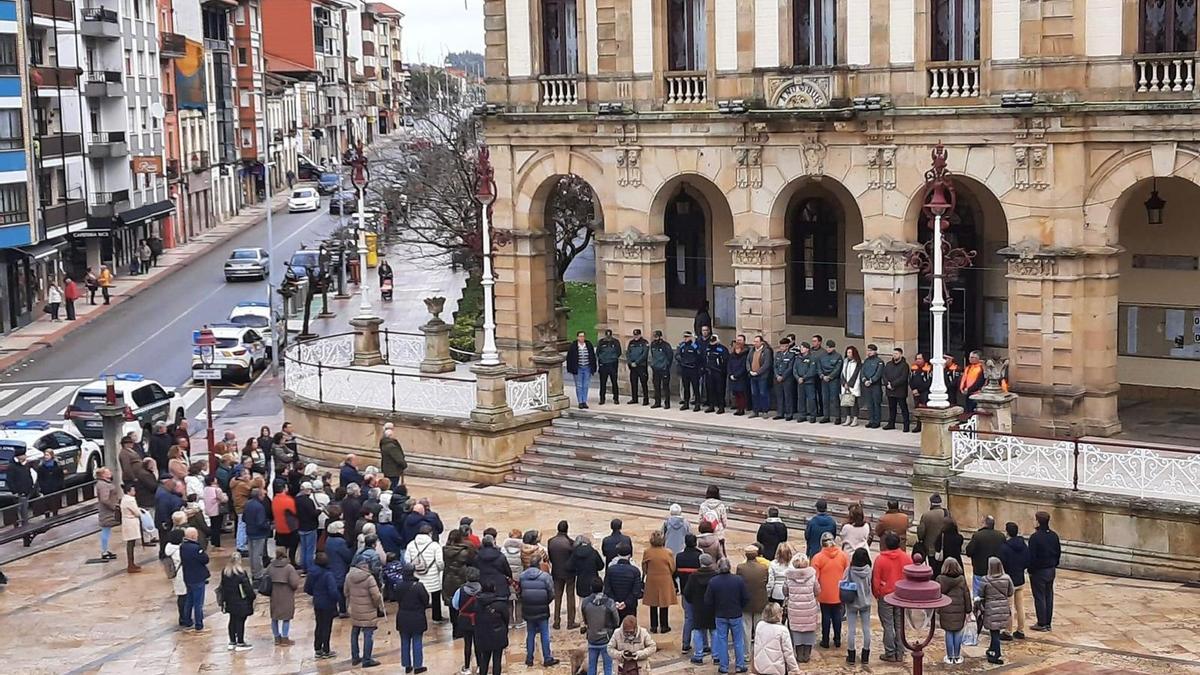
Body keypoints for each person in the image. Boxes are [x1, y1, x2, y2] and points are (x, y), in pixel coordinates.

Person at [872, 532, 913, 663]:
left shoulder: (880, 559)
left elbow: (876, 579)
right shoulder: (907, 558)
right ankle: (900, 651)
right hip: (901, 595)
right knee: (900, 624)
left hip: (886, 594)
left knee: (888, 625)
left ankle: (890, 652)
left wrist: (877, 593)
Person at [705, 557, 748, 674]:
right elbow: (745, 597)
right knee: (738, 641)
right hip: (736, 613)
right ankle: (740, 665)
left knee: (722, 640)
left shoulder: (713, 581)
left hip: (720, 615)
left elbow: (708, 601)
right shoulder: (738, 580)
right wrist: (740, 607)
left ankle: (723, 667)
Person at [519, 554, 559, 667]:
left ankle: (529, 658)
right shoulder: (545, 577)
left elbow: (520, 591)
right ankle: (547, 658)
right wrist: (546, 602)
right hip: (542, 608)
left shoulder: (522, 576)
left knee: (530, 633)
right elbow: (551, 593)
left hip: (528, 608)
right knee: (545, 633)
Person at [345, 558, 386, 668]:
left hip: (354, 609)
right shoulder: (369, 578)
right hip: (368, 610)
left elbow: (346, 592)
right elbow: (376, 596)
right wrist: (377, 606)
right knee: (368, 634)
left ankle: (355, 657)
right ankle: (367, 659)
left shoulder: (349, 576)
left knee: (354, 633)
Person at [812, 531, 849, 650]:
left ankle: (825, 640)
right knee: (837, 616)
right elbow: (847, 572)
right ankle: (837, 639)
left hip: (824, 592)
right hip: (839, 591)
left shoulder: (818, 557)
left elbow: (814, 577)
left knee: (826, 616)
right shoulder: (843, 555)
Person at [394, 563, 432, 673]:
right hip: (417, 616)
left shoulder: (398, 585)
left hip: (402, 616)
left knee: (404, 641)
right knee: (417, 641)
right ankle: (418, 666)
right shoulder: (418, 586)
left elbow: (397, 599)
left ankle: (407, 665)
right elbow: (425, 600)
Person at [1028, 510, 1061, 633]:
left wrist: (1031, 570)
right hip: (1051, 569)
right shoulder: (1054, 535)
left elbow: (1032, 557)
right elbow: (1058, 552)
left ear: (1037, 521)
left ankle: (1041, 622)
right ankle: (1048, 622)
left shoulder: (1035, 537)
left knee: (1040, 596)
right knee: (1049, 595)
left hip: (1039, 571)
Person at [405, 523, 446, 621]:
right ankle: (437, 617)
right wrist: (439, 570)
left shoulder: (411, 544)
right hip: (432, 577)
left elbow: (407, 560)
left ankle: (420, 618)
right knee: (435, 597)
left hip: (417, 576)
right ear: (430, 533)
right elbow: (440, 562)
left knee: (418, 598)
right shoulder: (435, 546)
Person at [936, 557, 972, 665]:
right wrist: (968, 610)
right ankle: (957, 655)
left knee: (948, 632)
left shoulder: (940, 579)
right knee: (957, 632)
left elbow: (937, 595)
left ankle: (950, 656)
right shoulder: (961, 579)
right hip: (959, 610)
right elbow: (967, 595)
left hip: (945, 609)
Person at [784, 553, 819, 663]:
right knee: (809, 631)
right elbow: (817, 590)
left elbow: (785, 592)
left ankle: (799, 654)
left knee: (797, 632)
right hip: (809, 609)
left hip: (795, 609)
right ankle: (807, 655)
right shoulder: (812, 576)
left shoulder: (789, 577)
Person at [218, 552, 256, 651]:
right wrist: (252, 596)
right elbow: (247, 588)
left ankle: (232, 641)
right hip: (241, 601)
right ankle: (240, 642)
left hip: (229, 601)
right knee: (240, 621)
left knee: (232, 620)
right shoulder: (241, 573)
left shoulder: (225, 572)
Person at [582, 577, 620, 675]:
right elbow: (616, 621)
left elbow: (585, 619)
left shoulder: (585, 602)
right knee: (608, 666)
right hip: (606, 638)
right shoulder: (609, 602)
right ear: (603, 588)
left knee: (592, 667)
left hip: (592, 637)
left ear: (591, 588)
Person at [683, 553, 717, 664]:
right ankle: (716, 656)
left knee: (697, 630)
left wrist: (692, 602)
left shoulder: (693, 576)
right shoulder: (715, 575)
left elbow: (687, 593)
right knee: (714, 630)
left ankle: (698, 655)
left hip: (698, 606)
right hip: (712, 607)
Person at [998, 521, 1030, 640]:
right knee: (1020, 606)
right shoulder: (1023, 545)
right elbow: (1028, 560)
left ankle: (1008, 631)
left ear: (1007, 532)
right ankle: (1020, 630)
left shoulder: (1004, 547)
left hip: (1009, 580)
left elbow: (1001, 564)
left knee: (1008, 607)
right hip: (1020, 578)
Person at [980, 556, 1015, 665]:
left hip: (990, 608)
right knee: (996, 631)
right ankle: (991, 649)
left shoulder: (985, 579)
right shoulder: (1007, 578)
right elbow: (1010, 592)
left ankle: (996, 654)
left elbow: (981, 594)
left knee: (994, 633)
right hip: (1003, 607)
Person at [305, 552, 340, 659]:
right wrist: (337, 600)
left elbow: (307, 588)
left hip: (317, 602)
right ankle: (326, 650)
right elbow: (333, 591)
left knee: (319, 625)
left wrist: (316, 594)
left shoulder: (311, 572)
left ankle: (318, 648)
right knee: (326, 627)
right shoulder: (328, 574)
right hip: (328, 603)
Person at [842, 547, 874, 664]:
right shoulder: (869, 570)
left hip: (852, 603)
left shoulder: (850, 569)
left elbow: (843, 581)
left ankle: (851, 656)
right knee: (866, 629)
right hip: (865, 602)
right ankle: (865, 655)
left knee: (851, 630)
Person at [642, 530, 677, 633]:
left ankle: (653, 626)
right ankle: (664, 626)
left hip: (652, 578)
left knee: (653, 603)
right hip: (665, 579)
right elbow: (672, 567)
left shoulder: (647, 552)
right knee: (664, 603)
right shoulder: (668, 552)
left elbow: (644, 567)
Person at [473, 581, 511, 675]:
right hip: (497, 634)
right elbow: (506, 619)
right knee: (497, 660)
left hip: (483, 634)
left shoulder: (477, 603)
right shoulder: (500, 604)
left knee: (484, 659)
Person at [451, 567, 482, 675]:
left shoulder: (460, 590)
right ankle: (480, 666)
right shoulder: (482, 589)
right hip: (478, 619)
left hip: (465, 619)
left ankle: (467, 667)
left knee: (467, 644)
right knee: (478, 643)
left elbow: (455, 605)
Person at [966, 515, 1006, 598]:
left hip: (980, 570)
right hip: (995, 570)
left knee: (978, 595)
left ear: (985, 524)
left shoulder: (978, 535)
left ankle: (978, 609)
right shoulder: (1001, 536)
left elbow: (969, 551)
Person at [268, 548, 303, 645]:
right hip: (286, 595)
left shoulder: (271, 566)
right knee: (286, 617)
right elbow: (294, 583)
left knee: (274, 617)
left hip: (274, 595)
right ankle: (285, 638)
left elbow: (266, 578)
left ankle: (276, 637)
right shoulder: (289, 568)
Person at [753, 603, 799, 675]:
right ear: (778, 614)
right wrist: (794, 669)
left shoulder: (760, 625)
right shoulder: (782, 630)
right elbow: (788, 653)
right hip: (777, 669)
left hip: (760, 667)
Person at [736, 544, 768, 645]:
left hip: (746, 601)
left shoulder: (740, 567)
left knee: (746, 627)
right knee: (759, 626)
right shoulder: (763, 568)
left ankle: (747, 653)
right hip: (760, 600)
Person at [604, 543, 643, 620]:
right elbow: (636, 592)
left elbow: (607, 589)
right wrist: (626, 603)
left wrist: (615, 602)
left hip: (614, 606)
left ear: (618, 554)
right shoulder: (635, 571)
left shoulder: (610, 570)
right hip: (630, 606)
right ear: (629, 555)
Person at [569, 534, 605, 614]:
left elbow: (570, 566)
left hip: (581, 581)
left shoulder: (575, 553)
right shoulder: (593, 552)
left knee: (581, 602)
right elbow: (601, 566)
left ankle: (582, 623)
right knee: (594, 602)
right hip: (593, 581)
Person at [324, 521, 353, 616]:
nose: (343, 530)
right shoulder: (340, 542)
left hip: (331, 567)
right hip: (340, 568)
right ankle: (343, 610)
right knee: (341, 591)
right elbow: (347, 556)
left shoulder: (328, 540)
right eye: (341, 528)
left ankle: (334, 610)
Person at [243, 487, 271, 578]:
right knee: (257, 555)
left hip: (249, 531)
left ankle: (254, 571)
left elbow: (244, 518)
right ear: (259, 495)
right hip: (259, 533)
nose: (264, 496)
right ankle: (258, 574)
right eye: (263, 494)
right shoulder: (259, 507)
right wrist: (269, 525)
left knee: (252, 554)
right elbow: (261, 522)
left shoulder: (248, 504)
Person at [567, 331, 598, 409]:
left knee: (586, 385)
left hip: (587, 367)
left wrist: (593, 368)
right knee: (579, 385)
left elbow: (592, 357)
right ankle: (580, 401)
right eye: (580, 336)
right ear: (577, 337)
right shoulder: (573, 346)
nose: (582, 338)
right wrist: (571, 368)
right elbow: (569, 358)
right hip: (578, 368)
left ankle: (584, 401)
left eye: (583, 336)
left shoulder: (588, 345)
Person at [883, 347, 911, 431]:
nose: (894, 355)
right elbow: (884, 375)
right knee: (892, 408)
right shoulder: (888, 364)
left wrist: (893, 384)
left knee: (903, 408)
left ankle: (906, 425)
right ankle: (891, 423)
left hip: (900, 390)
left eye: (896, 354)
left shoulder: (904, 365)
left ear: (901, 354)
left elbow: (903, 378)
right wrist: (887, 383)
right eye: (893, 353)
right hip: (889, 390)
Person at [816, 339, 844, 423]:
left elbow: (837, 369)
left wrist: (830, 376)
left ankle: (837, 417)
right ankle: (826, 416)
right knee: (825, 399)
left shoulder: (838, 356)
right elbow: (819, 367)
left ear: (833, 348)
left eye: (830, 348)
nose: (828, 349)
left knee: (834, 399)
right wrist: (821, 375)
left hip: (833, 380)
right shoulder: (822, 356)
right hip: (824, 379)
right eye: (827, 347)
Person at [914, 493, 949, 560]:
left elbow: (921, 532)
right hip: (944, 547)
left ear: (931, 503)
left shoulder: (926, 515)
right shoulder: (946, 513)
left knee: (932, 566)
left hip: (930, 548)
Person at [746, 334, 773, 419]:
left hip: (762, 376)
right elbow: (748, 361)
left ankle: (765, 411)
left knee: (763, 393)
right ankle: (755, 411)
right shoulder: (752, 350)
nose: (755, 343)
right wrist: (749, 370)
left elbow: (767, 364)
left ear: (761, 342)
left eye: (757, 341)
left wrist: (758, 372)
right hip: (752, 375)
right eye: (754, 341)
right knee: (754, 394)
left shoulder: (766, 351)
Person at [272, 480, 299, 565]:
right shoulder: (288, 500)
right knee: (292, 547)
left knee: (282, 547)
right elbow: (295, 512)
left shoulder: (274, 499)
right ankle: (292, 561)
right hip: (290, 528)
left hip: (279, 527)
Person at [296, 482, 321, 570]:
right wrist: (319, 511)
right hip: (310, 527)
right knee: (310, 550)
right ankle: (309, 568)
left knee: (303, 549)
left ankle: (303, 566)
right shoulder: (308, 501)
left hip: (301, 526)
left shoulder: (297, 499)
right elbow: (312, 514)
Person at [677, 331, 703, 411]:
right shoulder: (682, 346)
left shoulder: (694, 346)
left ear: (690, 337)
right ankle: (686, 403)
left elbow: (699, 357)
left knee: (695, 387)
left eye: (687, 337)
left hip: (693, 369)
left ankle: (697, 404)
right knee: (686, 387)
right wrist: (682, 361)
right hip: (685, 369)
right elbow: (678, 355)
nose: (685, 338)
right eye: (684, 337)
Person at [792, 342, 819, 423]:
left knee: (811, 399)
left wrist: (804, 378)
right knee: (801, 399)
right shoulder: (798, 358)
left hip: (809, 382)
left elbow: (812, 370)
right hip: (800, 382)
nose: (801, 349)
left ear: (807, 349)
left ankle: (812, 415)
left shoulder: (812, 358)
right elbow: (794, 369)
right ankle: (802, 415)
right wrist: (798, 378)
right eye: (801, 348)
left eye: (803, 348)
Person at [859, 344, 885, 428]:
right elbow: (862, 372)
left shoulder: (879, 361)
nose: (869, 352)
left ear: (875, 351)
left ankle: (877, 421)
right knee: (869, 404)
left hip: (875, 386)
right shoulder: (866, 361)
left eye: (871, 350)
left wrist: (871, 381)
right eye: (868, 350)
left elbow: (878, 373)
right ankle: (871, 420)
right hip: (867, 385)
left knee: (876, 403)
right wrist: (864, 380)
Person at [703, 334, 730, 414]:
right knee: (710, 389)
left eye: (714, 341)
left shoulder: (722, 349)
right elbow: (704, 358)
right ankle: (711, 405)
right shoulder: (707, 348)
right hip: (709, 372)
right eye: (711, 342)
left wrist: (723, 371)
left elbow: (725, 361)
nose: (712, 343)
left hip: (719, 373)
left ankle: (721, 406)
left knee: (720, 390)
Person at [119, 483, 143, 573]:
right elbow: (137, 512)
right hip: (131, 522)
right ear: (129, 491)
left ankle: (131, 563)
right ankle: (130, 564)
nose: (135, 491)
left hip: (127, 522)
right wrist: (140, 511)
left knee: (131, 543)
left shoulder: (124, 499)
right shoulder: (130, 500)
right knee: (131, 543)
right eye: (133, 490)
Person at [35, 449, 66, 517]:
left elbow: (60, 476)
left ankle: (55, 514)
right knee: (47, 503)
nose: (46, 457)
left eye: (47, 455)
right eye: (45, 455)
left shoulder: (57, 465)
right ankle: (47, 515)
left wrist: (59, 485)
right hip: (46, 488)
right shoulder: (41, 466)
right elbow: (40, 478)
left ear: (51, 455)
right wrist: (42, 486)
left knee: (55, 502)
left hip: (55, 487)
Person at [699, 485, 729, 553]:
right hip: (718, 533)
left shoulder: (703, 505)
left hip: (705, 533)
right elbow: (724, 521)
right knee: (720, 553)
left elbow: (700, 520)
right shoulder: (721, 506)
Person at [772, 337, 796, 420]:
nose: (781, 348)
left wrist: (783, 376)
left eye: (783, 346)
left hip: (787, 379)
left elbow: (790, 367)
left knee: (788, 396)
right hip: (777, 378)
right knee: (779, 396)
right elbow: (775, 366)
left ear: (787, 346)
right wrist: (777, 375)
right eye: (780, 346)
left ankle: (789, 413)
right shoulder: (778, 354)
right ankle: (780, 413)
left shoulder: (791, 355)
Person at [649, 329, 674, 409]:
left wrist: (666, 366)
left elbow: (670, 357)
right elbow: (652, 355)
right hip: (656, 368)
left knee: (665, 387)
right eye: (654, 337)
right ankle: (657, 402)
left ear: (660, 337)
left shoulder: (665, 345)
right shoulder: (653, 344)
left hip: (664, 369)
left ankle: (667, 403)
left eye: (656, 337)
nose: (655, 338)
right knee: (656, 386)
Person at [596, 328, 623, 404]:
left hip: (613, 364)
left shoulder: (616, 342)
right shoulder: (601, 342)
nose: (608, 337)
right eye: (607, 336)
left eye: (609, 336)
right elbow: (598, 353)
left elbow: (619, 352)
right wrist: (602, 359)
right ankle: (602, 398)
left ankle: (616, 398)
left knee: (614, 382)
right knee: (603, 383)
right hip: (603, 365)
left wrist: (613, 358)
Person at [201, 474, 227, 549]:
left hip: (209, 510)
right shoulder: (217, 489)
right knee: (217, 528)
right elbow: (223, 499)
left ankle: (213, 542)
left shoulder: (205, 489)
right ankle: (217, 544)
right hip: (217, 510)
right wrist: (225, 496)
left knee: (213, 527)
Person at [626, 328, 650, 405]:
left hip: (641, 366)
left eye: (637, 335)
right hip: (633, 366)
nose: (635, 336)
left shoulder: (644, 342)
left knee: (643, 383)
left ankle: (646, 399)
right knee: (633, 382)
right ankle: (634, 398)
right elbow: (628, 353)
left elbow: (644, 354)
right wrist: (630, 362)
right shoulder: (631, 342)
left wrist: (636, 362)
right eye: (634, 335)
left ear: (640, 335)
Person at [727, 334, 750, 416]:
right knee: (736, 393)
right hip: (732, 376)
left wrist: (736, 375)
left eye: (740, 340)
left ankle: (742, 409)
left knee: (741, 393)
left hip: (741, 377)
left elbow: (744, 367)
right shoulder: (732, 355)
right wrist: (730, 374)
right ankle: (738, 407)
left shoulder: (746, 354)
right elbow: (729, 365)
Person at [909, 353, 932, 432]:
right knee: (917, 409)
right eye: (917, 359)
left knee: (924, 409)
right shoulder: (913, 368)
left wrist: (919, 390)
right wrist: (913, 389)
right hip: (915, 392)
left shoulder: (929, 369)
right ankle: (918, 426)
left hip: (925, 393)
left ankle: (925, 426)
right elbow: (910, 380)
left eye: (919, 359)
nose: (918, 361)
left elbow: (929, 382)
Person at [839, 345, 862, 425]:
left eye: (850, 352)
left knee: (854, 402)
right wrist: (844, 383)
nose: (848, 354)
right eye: (847, 352)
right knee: (846, 402)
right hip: (845, 385)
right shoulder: (845, 362)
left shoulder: (857, 363)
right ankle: (848, 418)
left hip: (853, 385)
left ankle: (855, 418)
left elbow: (855, 374)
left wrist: (849, 384)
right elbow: (842, 373)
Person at [765, 543, 792, 609]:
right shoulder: (792, 565)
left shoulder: (772, 564)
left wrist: (768, 594)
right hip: (789, 594)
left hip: (776, 593)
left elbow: (771, 582)